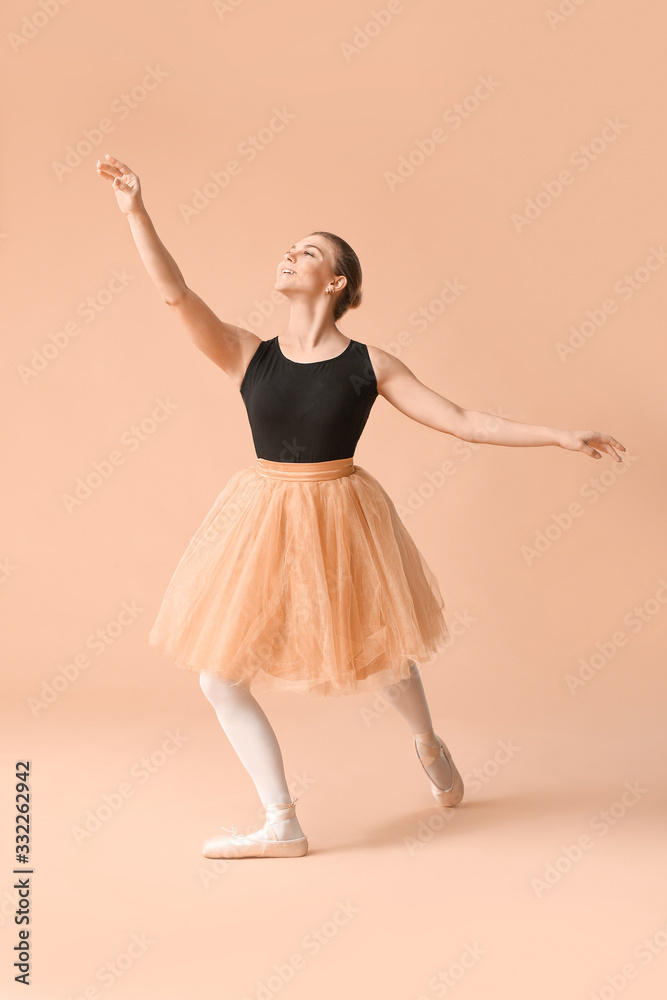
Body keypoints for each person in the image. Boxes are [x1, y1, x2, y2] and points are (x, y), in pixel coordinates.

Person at [97, 153, 626, 860]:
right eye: (288, 249)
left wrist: (556, 435)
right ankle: (281, 821)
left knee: (382, 648)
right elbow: (176, 295)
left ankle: (425, 740)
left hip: (341, 511)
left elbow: (463, 419)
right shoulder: (247, 353)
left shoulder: (369, 365)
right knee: (217, 675)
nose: (290, 255)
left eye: (307, 252)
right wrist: (136, 211)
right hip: (259, 515)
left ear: (335, 282)